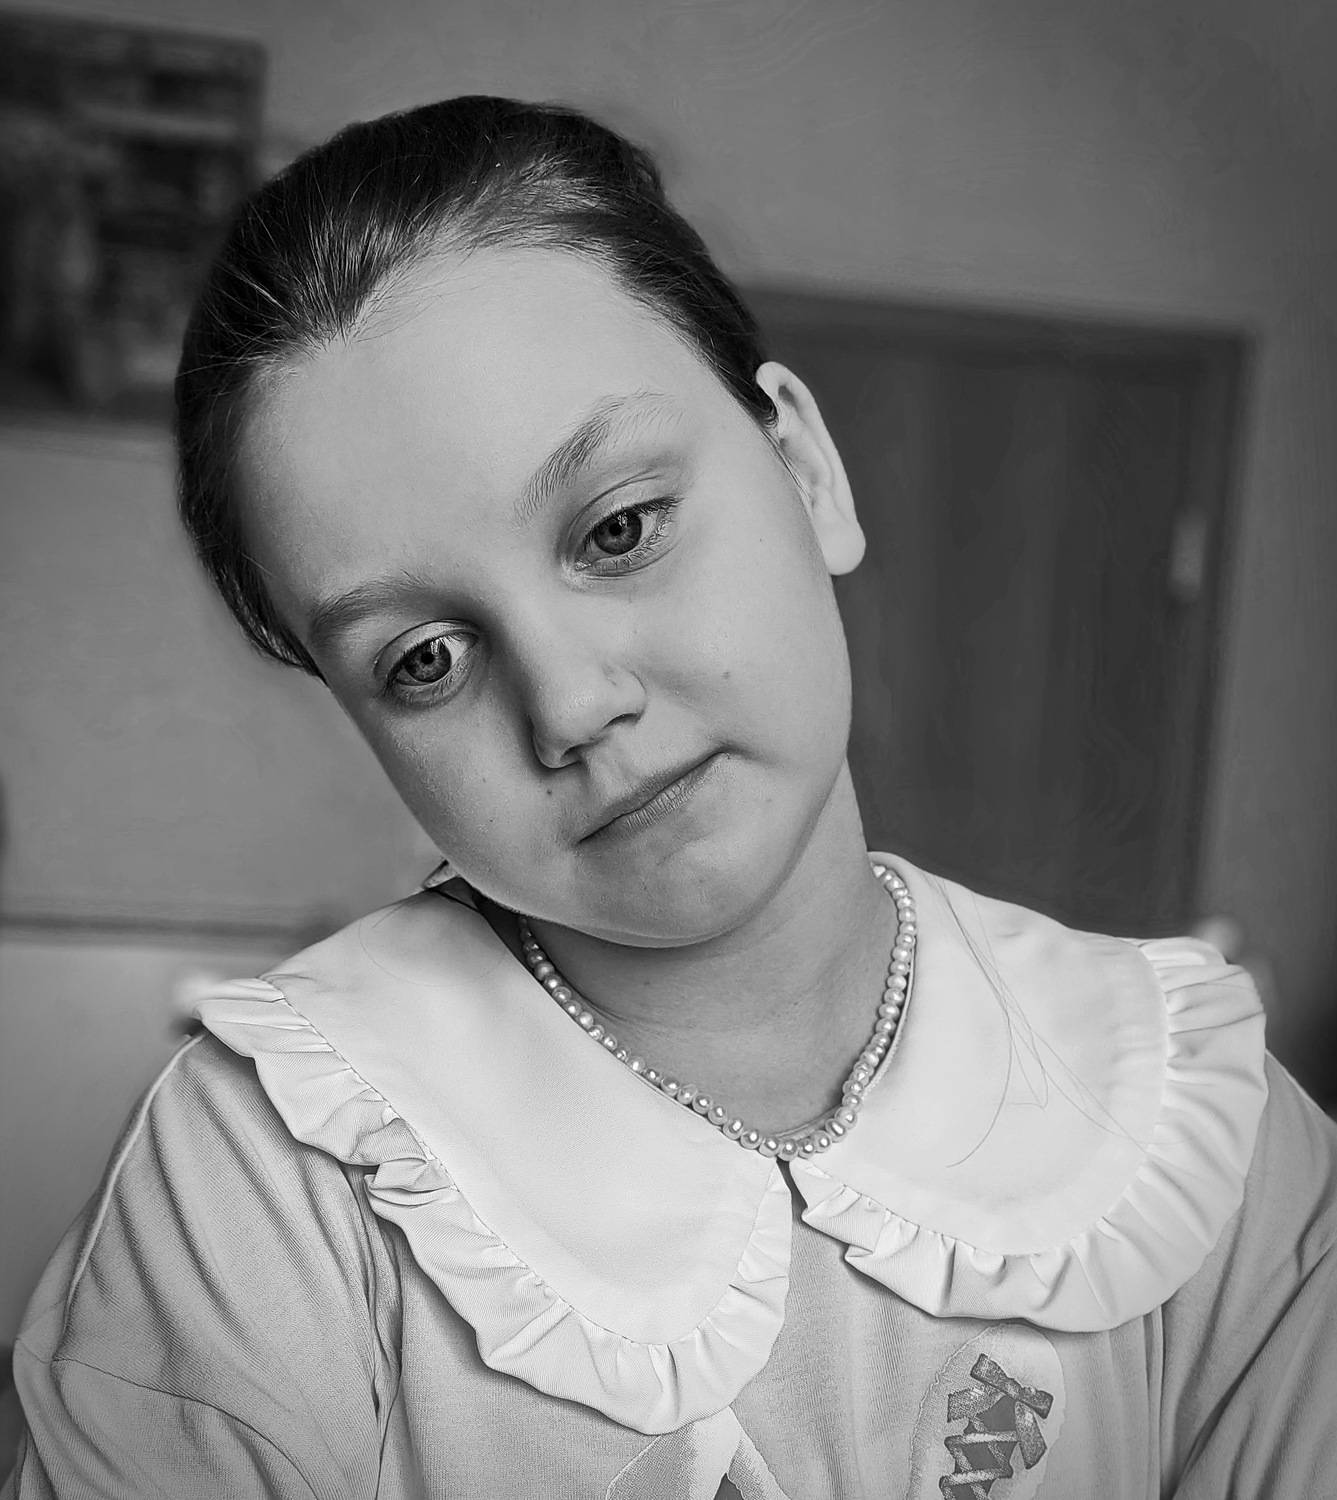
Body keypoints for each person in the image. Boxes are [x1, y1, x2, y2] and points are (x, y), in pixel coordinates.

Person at [4, 95, 1335, 1500]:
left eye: (620, 528)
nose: (572, 705)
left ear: (805, 470)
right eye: (425, 659)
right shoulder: (266, 1175)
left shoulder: (1193, 1122)